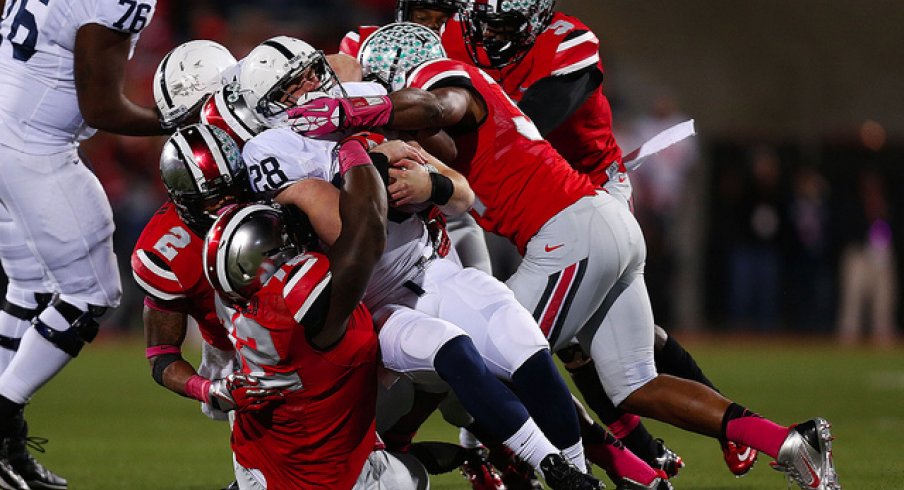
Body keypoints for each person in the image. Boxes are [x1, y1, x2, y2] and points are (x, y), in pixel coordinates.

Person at [288, 23, 841, 490]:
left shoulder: (439, 79)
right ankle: (788, 442)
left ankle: (609, 472)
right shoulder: (445, 100)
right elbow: (450, 160)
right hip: (601, 222)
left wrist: (361, 110)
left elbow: (438, 103)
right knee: (633, 385)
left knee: (486, 368)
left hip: (567, 231)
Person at [234, 34, 613, 490]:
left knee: (523, 341)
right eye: (296, 84)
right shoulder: (270, 147)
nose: (315, 84)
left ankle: (576, 471)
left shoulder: (354, 102)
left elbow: (458, 183)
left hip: (429, 265)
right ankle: (549, 466)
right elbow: (344, 225)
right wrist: (371, 156)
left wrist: (427, 184)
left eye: (314, 70)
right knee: (450, 350)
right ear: (269, 104)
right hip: (368, 303)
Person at [443, 0, 753, 477]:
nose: (491, 36)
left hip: (587, 194)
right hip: (535, 202)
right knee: (604, 346)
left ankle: (639, 455)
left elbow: (526, 130)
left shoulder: (569, 41)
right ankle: (651, 454)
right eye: (485, 22)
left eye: (505, 24)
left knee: (554, 344)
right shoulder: (455, 37)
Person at [0, 0, 170, 487]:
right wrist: (183, 119)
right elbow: (102, 107)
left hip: (7, 127)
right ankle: (3, 418)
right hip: (33, 147)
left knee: (28, 288)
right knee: (90, 295)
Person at [201, 145, 429, 489]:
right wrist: (353, 151)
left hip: (259, 464)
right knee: (414, 477)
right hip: (327, 478)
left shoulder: (233, 299)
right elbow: (366, 238)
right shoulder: (296, 300)